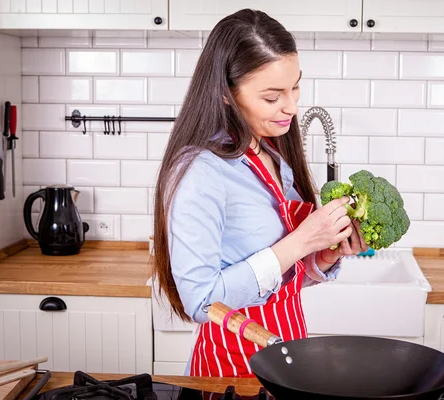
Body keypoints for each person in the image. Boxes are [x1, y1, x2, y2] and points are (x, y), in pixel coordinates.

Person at [152, 8, 370, 378]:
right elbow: (200, 301)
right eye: (272, 97)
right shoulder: (200, 172)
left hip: (289, 355)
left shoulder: (269, 153)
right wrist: (301, 241)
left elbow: (279, 279)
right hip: (233, 368)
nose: (292, 107)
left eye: (295, 86)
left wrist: (323, 258)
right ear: (226, 95)